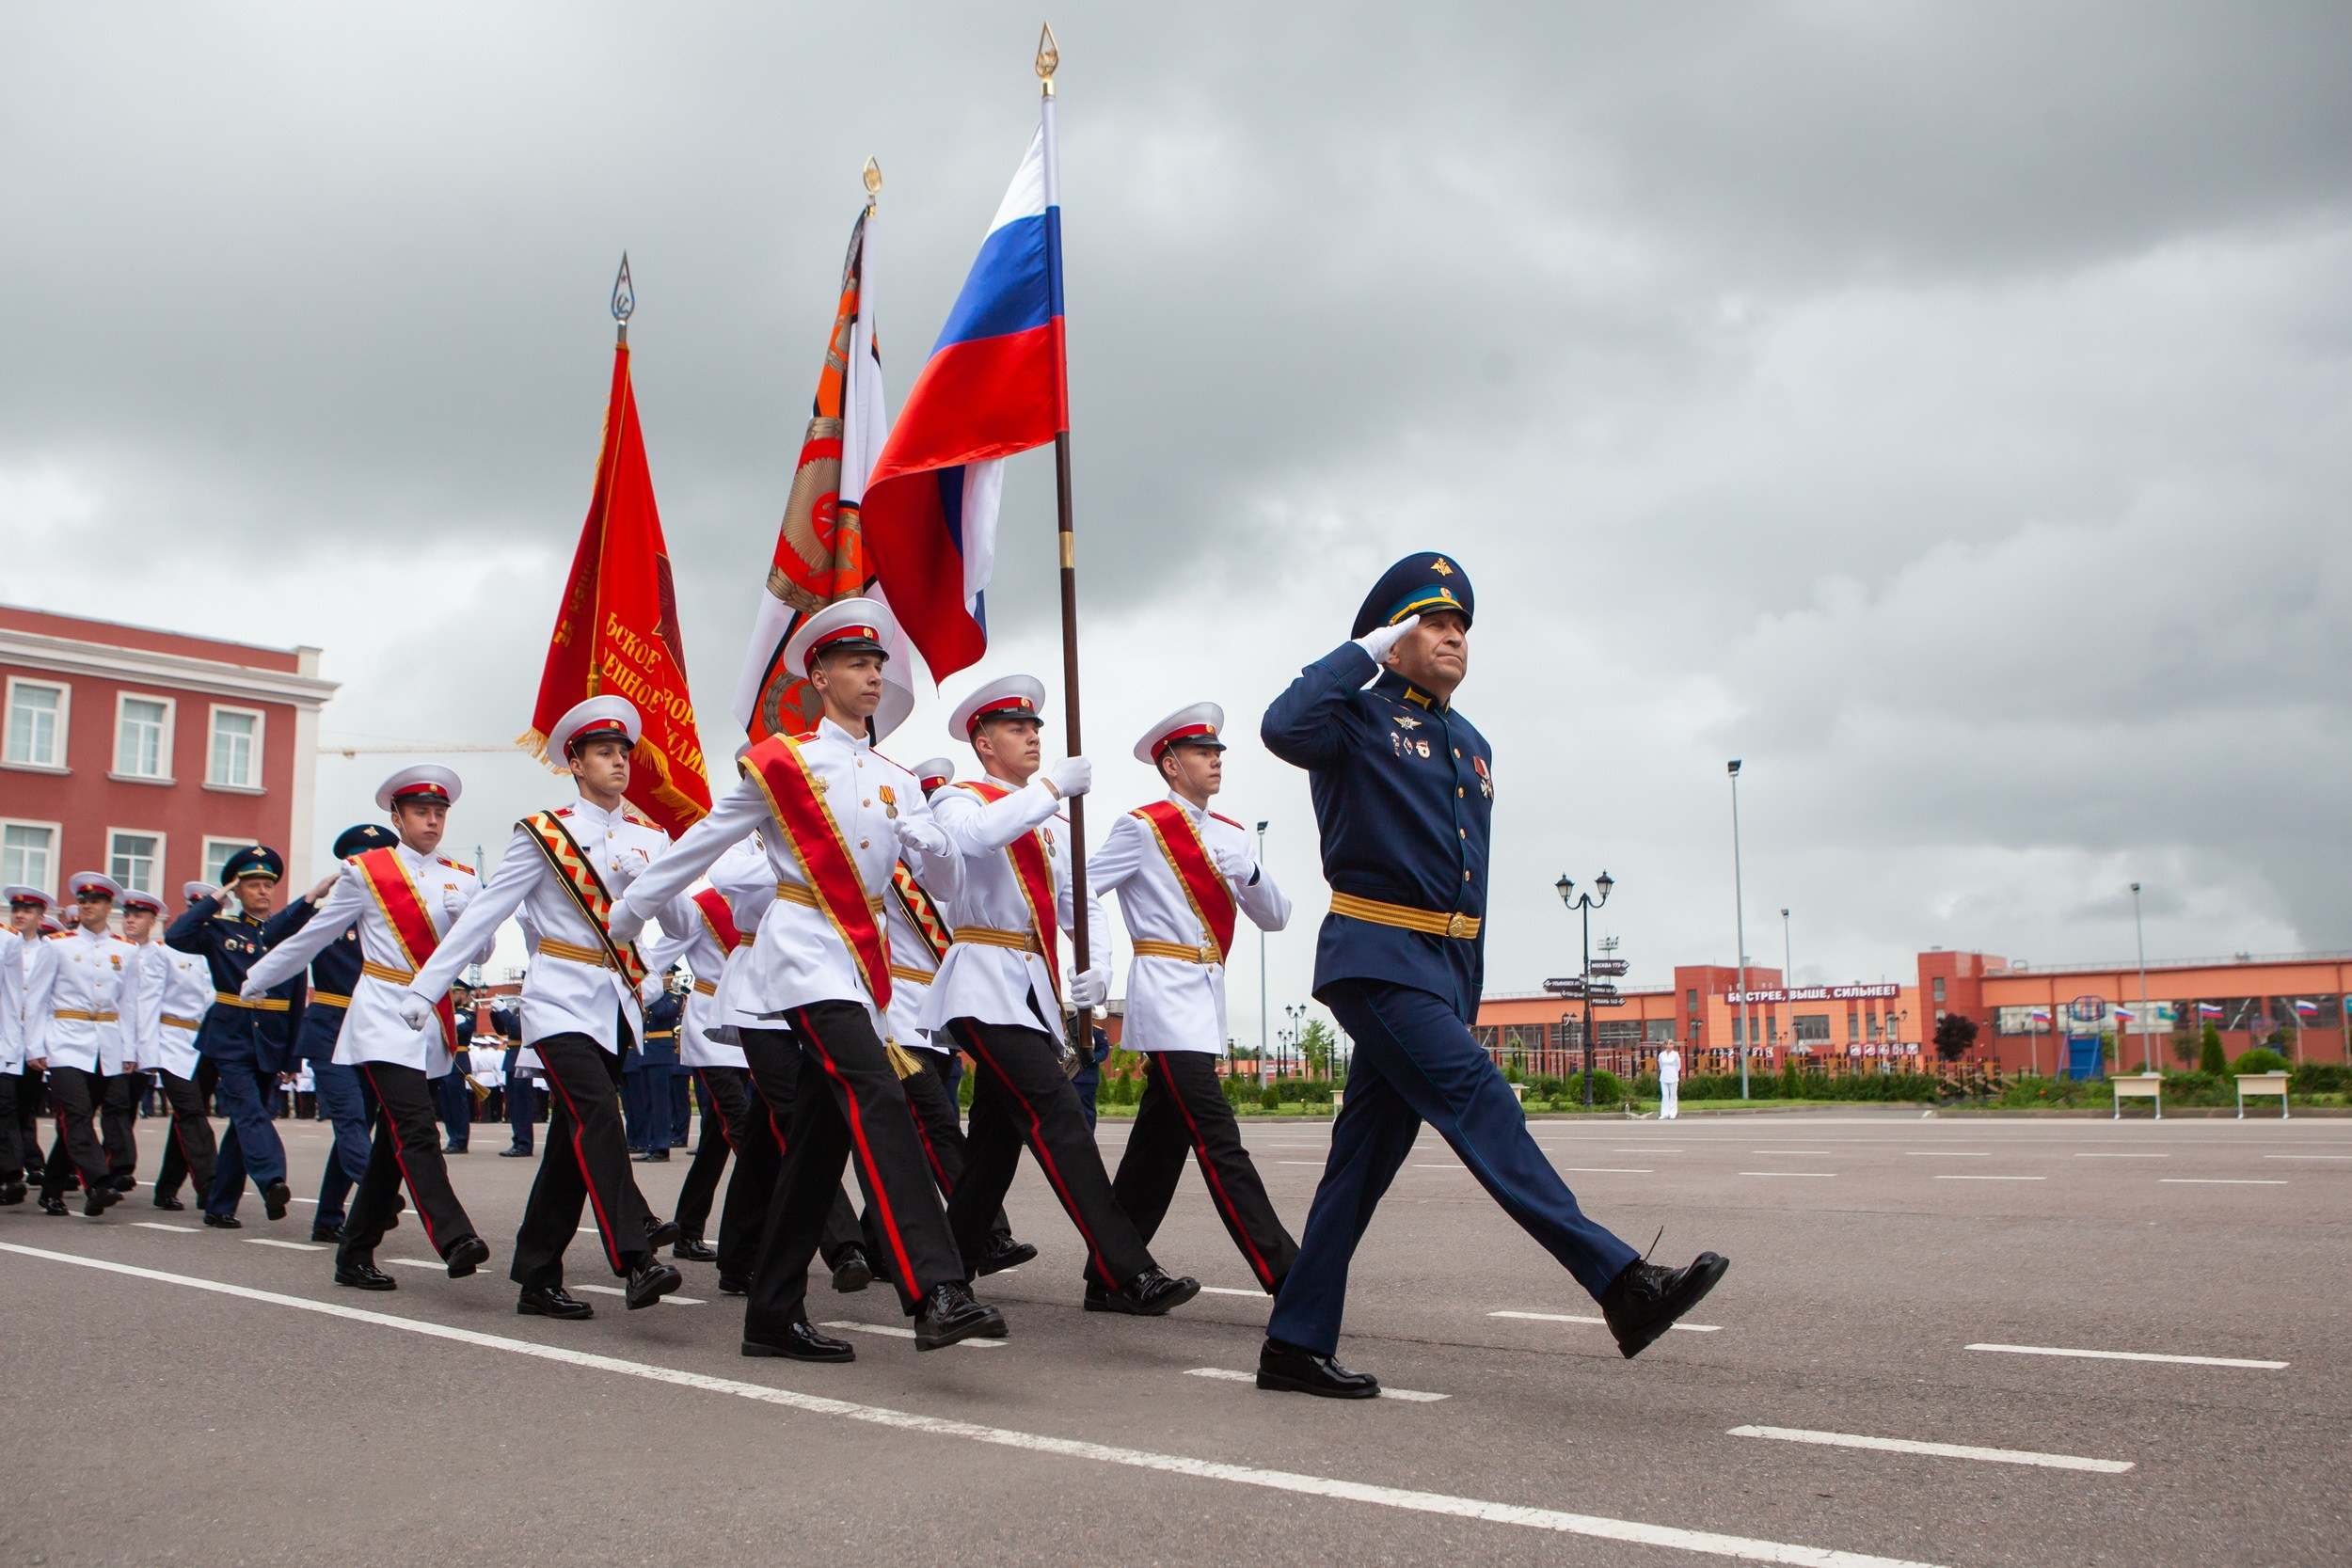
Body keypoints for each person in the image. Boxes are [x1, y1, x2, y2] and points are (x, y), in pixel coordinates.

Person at [1256, 553, 1727, 1398]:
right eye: (1434, 623)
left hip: (1438, 974)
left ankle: (1294, 1340)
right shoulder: (1354, 719)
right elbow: (1281, 726)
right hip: (1376, 958)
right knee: (1484, 1100)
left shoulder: (1470, 744)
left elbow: (1467, 887)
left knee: (1359, 1163)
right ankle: (1621, 1283)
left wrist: (1460, 992)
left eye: (1462, 627)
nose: (1454, 637)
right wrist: (1359, 649)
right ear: (1395, 638)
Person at [611, 600, 1005, 1358]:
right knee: (878, 1092)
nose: (872, 674)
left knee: (819, 1143)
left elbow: (950, 890)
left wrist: (933, 844)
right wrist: (632, 907)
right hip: (800, 955)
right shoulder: (784, 762)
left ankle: (770, 1313)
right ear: (818, 676)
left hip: (863, 964)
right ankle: (937, 1287)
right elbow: (706, 839)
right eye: (856, 663)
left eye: (878, 663)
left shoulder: (897, 777)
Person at [397, 698, 688, 1319]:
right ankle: (636, 1254)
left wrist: (659, 962)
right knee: (598, 1114)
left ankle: (536, 1273)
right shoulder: (544, 834)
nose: (618, 761)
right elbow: (486, 912)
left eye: (623, 753)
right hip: (557, 997)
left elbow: (684, 918)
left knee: (570, 1144)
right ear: (575, 763)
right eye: (604, 752)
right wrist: (427, 987)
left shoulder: (650, 838)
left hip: (617, 1001)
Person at [922, 673, 1199, 1317]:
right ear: (984, 743)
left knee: (993, 1144)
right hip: (980, 983)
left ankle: (946, 1272)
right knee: (1058, 1116)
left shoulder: (1049, 820)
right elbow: (977, 839)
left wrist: (1097, 973)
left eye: (1037, 728)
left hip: (1030, 993)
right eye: (1017, 728)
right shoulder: (960, 800)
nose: (1033, 737)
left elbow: (1084, 907)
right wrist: (1051, 790)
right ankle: (1126, 1268)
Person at [244, 766, 495, 1289]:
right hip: (382, 1008)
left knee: (391, 1144)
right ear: (397, 817)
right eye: (421, 811)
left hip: (430, 1018)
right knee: (417, 1125)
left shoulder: (463, 877)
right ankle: (453, 1235)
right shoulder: (368, 871)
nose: (432, 820)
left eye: (440, 812)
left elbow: (485, 951)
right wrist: (262, 976)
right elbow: (316, 935)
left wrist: (466, 914)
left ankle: (353, 1253)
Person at [1085, 703, 1299, 1297]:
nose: (1215, 761)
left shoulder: (1230, 834)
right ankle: (1287, 1271)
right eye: (1203, 753)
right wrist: (1095, 964)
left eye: (1218, 752)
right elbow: (1078, 890)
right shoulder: (1144, 826)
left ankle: (1109, 1275)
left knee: (1159, 1145)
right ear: (1171, 765)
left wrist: (1249, 875)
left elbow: (1277, 919)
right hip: (1164, 990)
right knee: (1217, 1137)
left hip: (1207, 998)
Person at [167, 847, 306, 1228]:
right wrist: (215, 898)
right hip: (230, 1035)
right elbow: (176, 935)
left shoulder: (290, 935)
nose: (262, 891)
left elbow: (297, 998)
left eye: (267, 885)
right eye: (252, 885)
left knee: (245, 1122)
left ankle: (219, 1204)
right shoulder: (220, 929)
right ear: (238, 891)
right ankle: (272, 1179)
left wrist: (293, 1058)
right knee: (249, 1111)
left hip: (272, 1038)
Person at [274, 825, 394, 1243]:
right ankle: (377, 1193)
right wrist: (309, 901)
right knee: (349, 1120)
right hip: (329, 1029)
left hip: (375, 1031)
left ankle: (328, 1218)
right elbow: (272, 938)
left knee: (361, 1123)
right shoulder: (329, 916)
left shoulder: (394, 922)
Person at [24, 872, 139, 1217]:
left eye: (96, 902)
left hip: (106, 1042)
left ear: (109, 907)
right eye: (83, 901)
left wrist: (130, 1051)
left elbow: (130, 1003)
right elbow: (38, 999)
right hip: (65, 1039)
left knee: (82, 1117)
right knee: (75, 1114)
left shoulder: (126, 950)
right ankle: (98, 1183)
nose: (87, 906)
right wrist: (35, 1046)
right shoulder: (57, 945)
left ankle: (51, 1188)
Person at [147, 882, 223, 1210]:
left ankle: (166, 1187)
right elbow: (149, 1004)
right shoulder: (165, 950)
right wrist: (147, 1052)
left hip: (206, 1042)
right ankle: (210, 1184)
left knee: (188, 1115)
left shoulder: (219, 950)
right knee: (191, 1112)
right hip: (171, 1040)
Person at [5, 886, 48, 1188]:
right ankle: (18, 1165)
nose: (20, 915)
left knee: (27, 1105)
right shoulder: (6, 944)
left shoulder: (49, 950)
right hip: (7, 1035)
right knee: (6, 1104)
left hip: (32, 1038)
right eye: (16, 910)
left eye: (27, 911)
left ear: (41, 917)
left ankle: (31, 1161)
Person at [629, 974, 682, 1163]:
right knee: (649, 1104)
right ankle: (651, 1145)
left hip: (661, 1054)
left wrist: (652, 994)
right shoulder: (647, 998)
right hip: (646, 1054)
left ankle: (662, 1147)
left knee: (661, 1104)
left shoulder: (674, 997)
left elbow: (661, 1012)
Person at [1658, 1042, 1682, 1120]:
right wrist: (1666, 1070)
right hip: (1664, 1076)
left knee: (1673, 1095)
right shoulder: (1661, 1055)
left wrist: (1673, 1072)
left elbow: (1678, 1066)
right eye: (1670, 1043)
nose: (1672, 1045)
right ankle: (1664, 1113)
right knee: (1665, 1095)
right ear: (1666, 1045)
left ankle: (1673, 1113)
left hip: (1673, 1076)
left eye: (1672, 1043)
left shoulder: (1675, 1054)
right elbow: (1661, 1065)